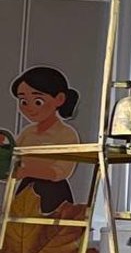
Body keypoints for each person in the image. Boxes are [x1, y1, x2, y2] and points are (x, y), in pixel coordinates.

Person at [9, 66, 81, 213]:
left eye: (38, 101)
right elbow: (13, 160)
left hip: (53, 193)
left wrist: (27, 171)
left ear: (59, 99)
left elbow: (61, 171)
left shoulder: (66, 134)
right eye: (23, 101)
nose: (29, 108)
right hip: (26, 189)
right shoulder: (27, 132)